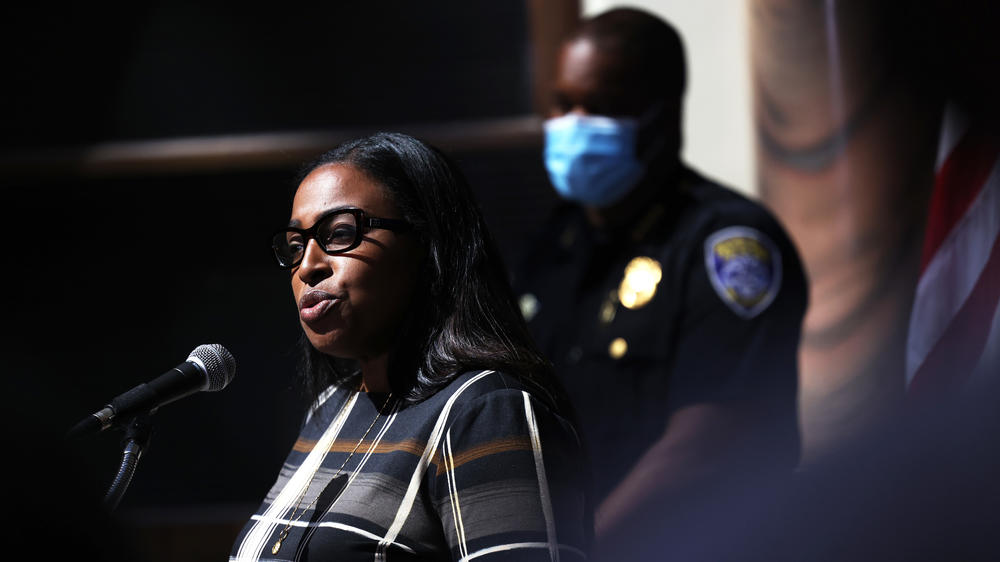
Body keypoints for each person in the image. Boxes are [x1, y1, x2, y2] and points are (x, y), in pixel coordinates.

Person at [513, 7, 808, 542]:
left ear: (661, 116)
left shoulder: (727, 246)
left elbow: (715, 440)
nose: (574, 126)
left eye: (600, 108)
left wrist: (585, 546)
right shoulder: (554, 244)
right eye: (563, 105)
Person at [231, 132, 591, 561]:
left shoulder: (487, 413)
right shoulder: (331, 407)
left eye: (341, 233)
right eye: (295, 246)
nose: (308, 265)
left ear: (429, 247)